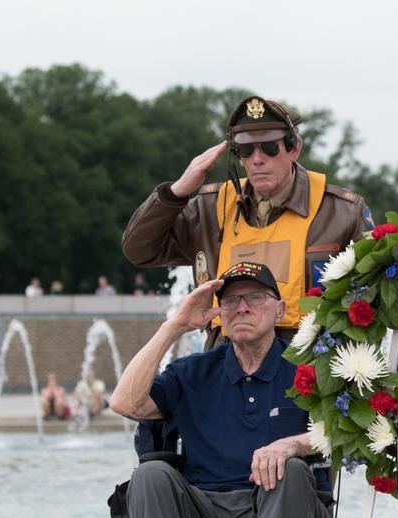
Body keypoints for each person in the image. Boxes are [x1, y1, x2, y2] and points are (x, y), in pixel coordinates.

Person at [109, 262, 328, 518]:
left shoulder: (308, 368)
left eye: (255, 297)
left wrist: (293, 444)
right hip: (204, 511)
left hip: (278, 507)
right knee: (150, 475)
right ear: (220, 314)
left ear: (279, 310)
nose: (242, 308)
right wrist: (174, 326)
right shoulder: (192, 372)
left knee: (290, 470)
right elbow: (124, 403)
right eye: (230, 301)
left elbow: (346, 431)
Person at [122, 95, 373, 349]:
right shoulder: (211, 208)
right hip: (226, 365)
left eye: (269, 148)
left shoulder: (341, 211)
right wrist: (175, 193)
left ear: (294, 147)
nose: (257, 159)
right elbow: (140, 250)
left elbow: (373, 301)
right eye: (245, 150)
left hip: (305, 367)